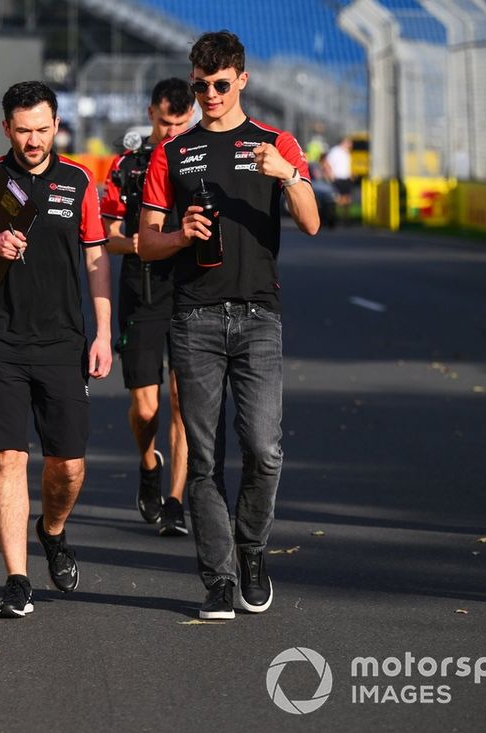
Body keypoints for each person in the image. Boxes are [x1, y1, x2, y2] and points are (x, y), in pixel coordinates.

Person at [137, 31, 319, 620]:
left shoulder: (275, 142)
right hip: (194, 317)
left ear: (242, 79)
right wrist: (179, 235)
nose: (210, 95)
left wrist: (287, 175)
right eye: (200, 86)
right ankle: (218, 579)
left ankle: (253, 549)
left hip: (259, 315)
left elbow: (312, 223)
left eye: (220, 84)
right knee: (204, 459)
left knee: (265, 450)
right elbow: (145, 241)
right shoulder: (173, 152)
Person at [0, 81, 112, 619]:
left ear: (56, 125)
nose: (34, 140)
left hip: (63, 340)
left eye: (42, 129)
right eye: (23, 131)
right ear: (6, 129)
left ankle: (53, 529)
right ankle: (16, 579)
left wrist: (103, 332)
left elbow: (95, 258)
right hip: (0, 339)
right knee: (8, 458)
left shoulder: (78, 180)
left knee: (69, 466)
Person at [101, 78, 196, 537]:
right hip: (142, 288)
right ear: (150, 115)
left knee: (182, 401)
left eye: (180, 124)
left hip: (193, 290)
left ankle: (175, 500)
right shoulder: (128, 166)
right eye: (164, 123)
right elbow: (106, 237)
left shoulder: (202, 159)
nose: (171, 133)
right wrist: (138, 243)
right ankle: (148, 464)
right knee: (145, 408)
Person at [322, 136, 353, 224]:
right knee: (339, 199)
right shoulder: (335, 151)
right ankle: (334, 217)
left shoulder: (346, 152)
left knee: (347, 199)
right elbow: (326, 163)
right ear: (343, 142)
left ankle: (345, 219)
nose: (351, 144)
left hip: (346, 178)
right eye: (349, 142)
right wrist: (330, 174)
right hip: (338, 177)